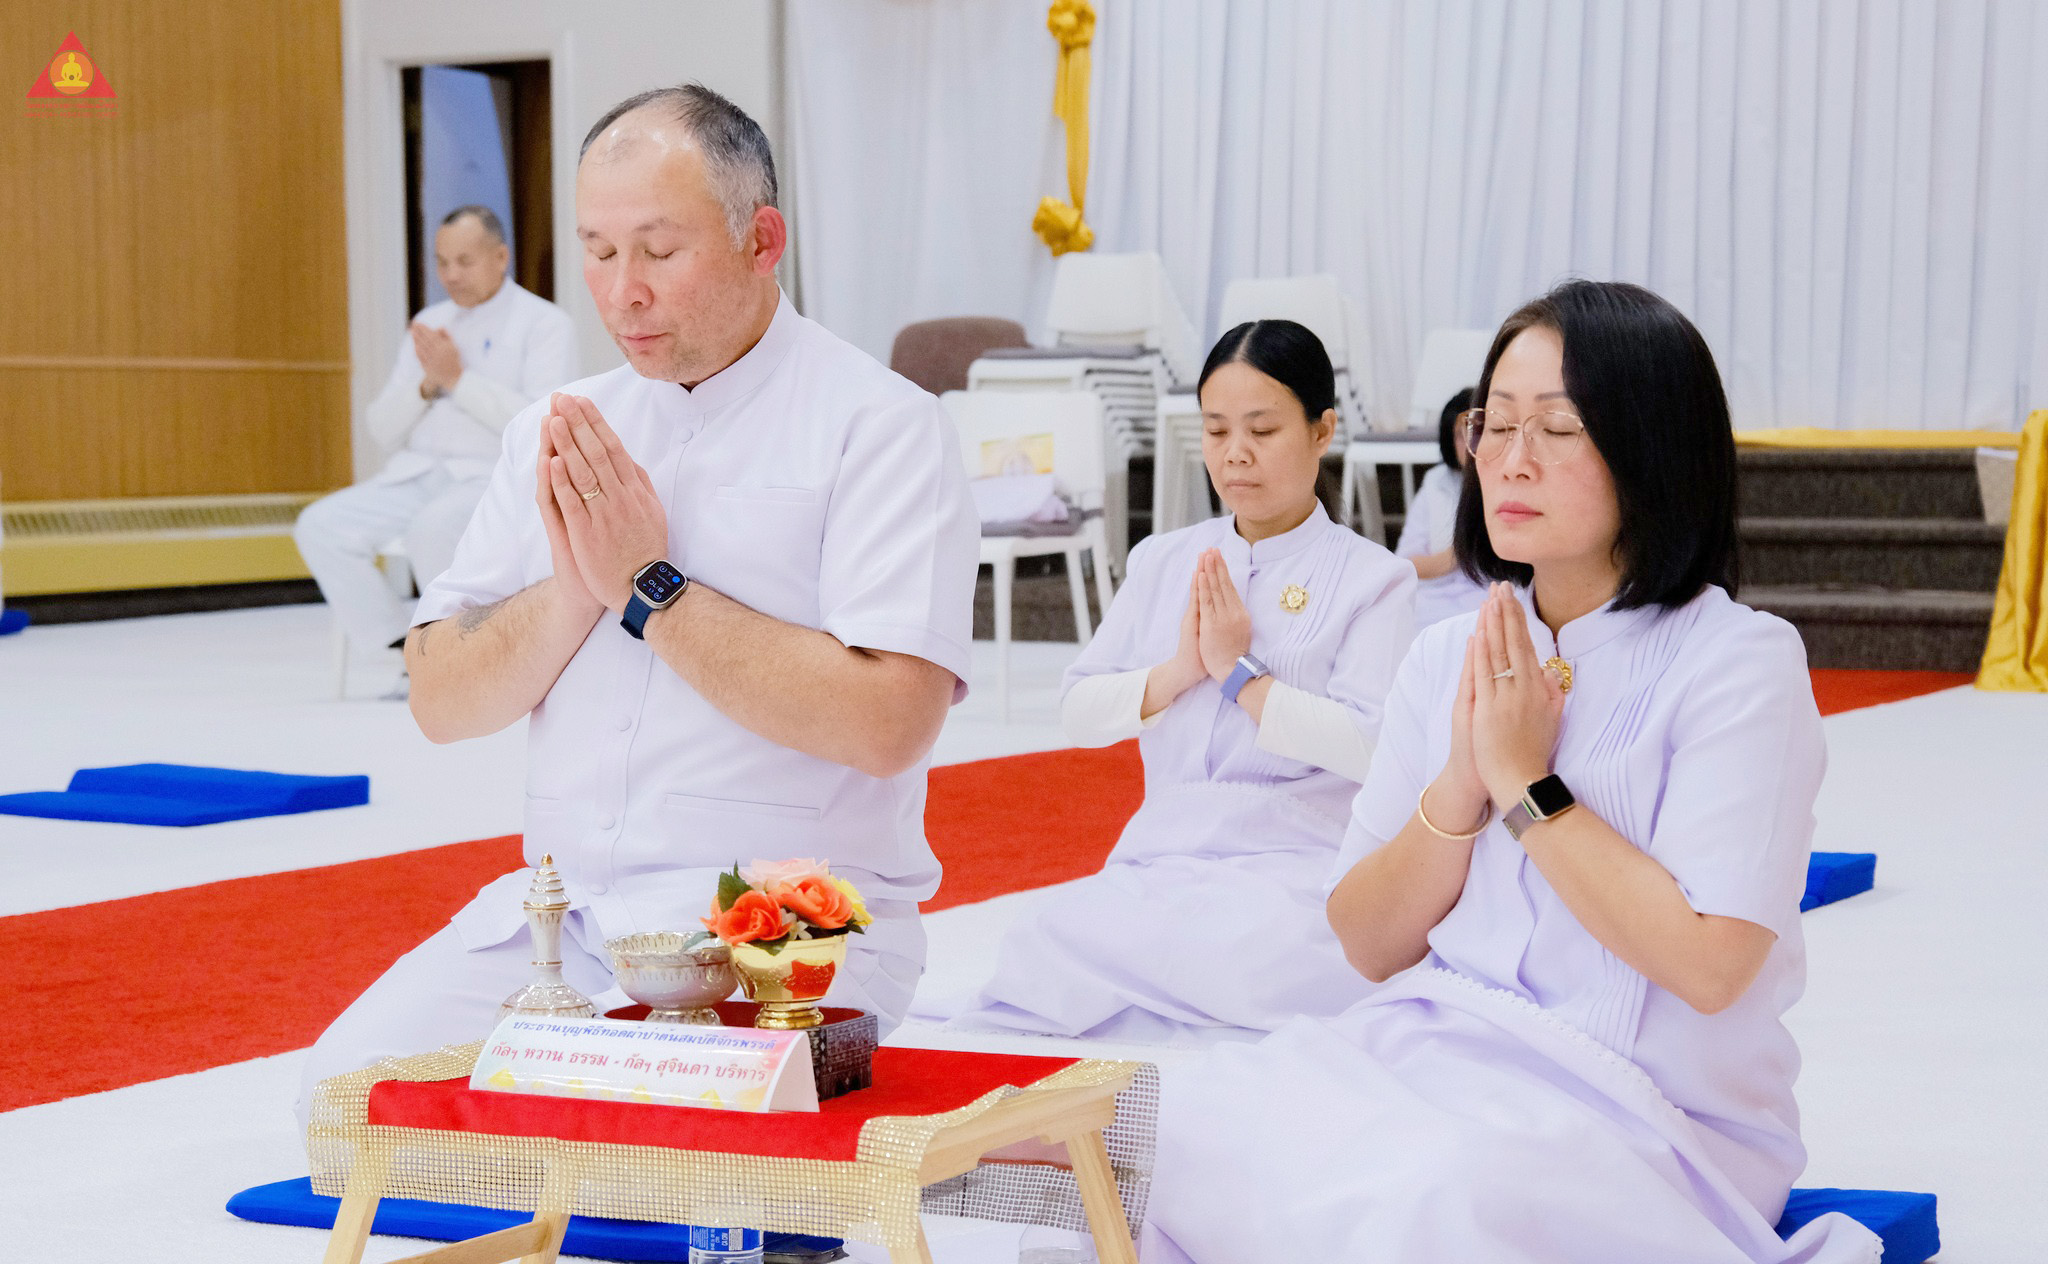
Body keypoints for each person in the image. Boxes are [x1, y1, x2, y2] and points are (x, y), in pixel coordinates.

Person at [1140, 281, 1879, 1262]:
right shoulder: (1444, 655)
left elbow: (1710, 967)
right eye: (1493, 423)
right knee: (1178, 1126)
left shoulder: (1737, 660)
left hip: (1648, 1110)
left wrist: (1526, 786)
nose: (1508, 458)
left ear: (1650, 447)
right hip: (1433, 1046)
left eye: (1557, 428)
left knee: (1429, 1199)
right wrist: (1458, 782)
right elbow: (1365, 942)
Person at [298, 84, 977, 1122]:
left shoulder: (878, 426)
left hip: (785, 927)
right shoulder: (558, 428)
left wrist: (649, 590)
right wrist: (576, 585)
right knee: (340, 1101)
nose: (624, 293)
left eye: (659, 251)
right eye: (598, 252)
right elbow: (439, 698)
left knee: (653, 1148)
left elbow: (887, 724)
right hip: (568, 922)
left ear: (763, 240)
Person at [930, 320, 1416, 1042]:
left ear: (1322, 431)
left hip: (1295, 863)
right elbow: (1080, 712)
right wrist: (1182, 670)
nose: (1235, 454)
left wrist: (1238, 677)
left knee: (1260, 957)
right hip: (1164, 852)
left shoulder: (1376, 581)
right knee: (1048, 943)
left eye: (1262, 429)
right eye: (1216, 432)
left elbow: (1372, 748)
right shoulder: (1165, 560)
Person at [294, 206, 576, 671]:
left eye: (464, 261)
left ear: (500, 257)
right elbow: (382, 428)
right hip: (417, 473)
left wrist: (458, 379)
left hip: (488, 479)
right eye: (442, 262)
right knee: (319, 525)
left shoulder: (544, 323)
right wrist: (427, 385)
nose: (450, 275)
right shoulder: (431, 322)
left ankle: (460, 657)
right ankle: (399, 649)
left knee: (433, 527)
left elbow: (541, 422)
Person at [1394, 386, 1488, 627]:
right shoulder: (1436, 482)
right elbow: (1406, 564)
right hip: (1434, 599)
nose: (1469, 442)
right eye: (1459, 433)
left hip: (1492, 596)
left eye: (1478, 428)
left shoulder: (1507, 477)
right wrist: (1458, 555)